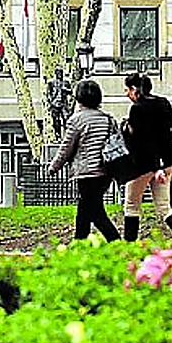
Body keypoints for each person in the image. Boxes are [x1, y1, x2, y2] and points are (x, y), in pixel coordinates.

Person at [46, 79, 121, 242]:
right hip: (105, 172)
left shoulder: (76, 120)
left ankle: (115, 241)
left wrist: (53, 167)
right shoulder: (108, 119)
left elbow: (66, 148)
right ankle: (80, 241)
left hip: (86, 172)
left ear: (78, 98)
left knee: (95, 211)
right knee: (86, 208)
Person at [121, 73, 172, 241]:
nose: (126, 93)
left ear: (135, 90)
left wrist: (126, 129)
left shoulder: (137, 109)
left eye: (127, 89)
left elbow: (142, 142)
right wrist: (165, 143)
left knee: (131, 206)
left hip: (143, 165)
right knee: (164, 207)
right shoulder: (163, 103)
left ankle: (128, 247)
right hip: (167, 161)